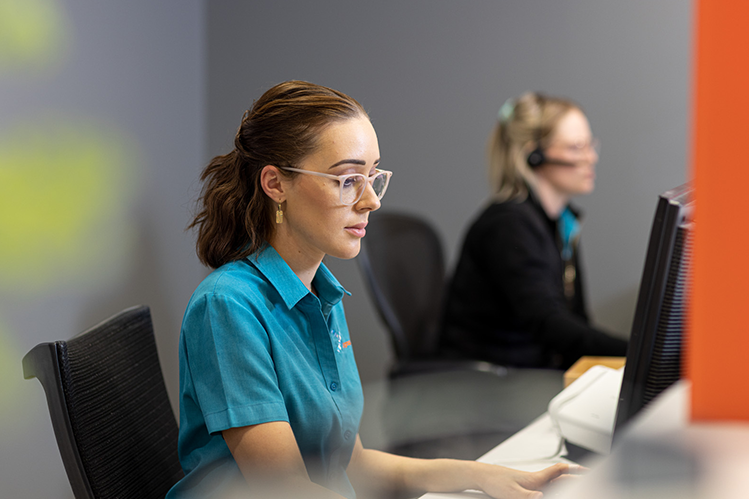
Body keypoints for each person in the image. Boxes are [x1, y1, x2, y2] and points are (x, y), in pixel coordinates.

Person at [166, 81, 578, 499]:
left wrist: (481, 475)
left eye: (373, 176)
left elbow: (353, 464)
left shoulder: (322, 294)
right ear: (275, 184)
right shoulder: (228, 306)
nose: (371, 201)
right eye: (347, 179)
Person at [440, 92, 628, 370]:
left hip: (527, 377)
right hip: (490, 384)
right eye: (577, 148)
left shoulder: (562, 223)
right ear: (534, 156)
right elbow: (549, 324)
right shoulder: (508, 226)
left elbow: (576, 320)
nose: (591, 158)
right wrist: (641, 356)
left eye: (591, 146)